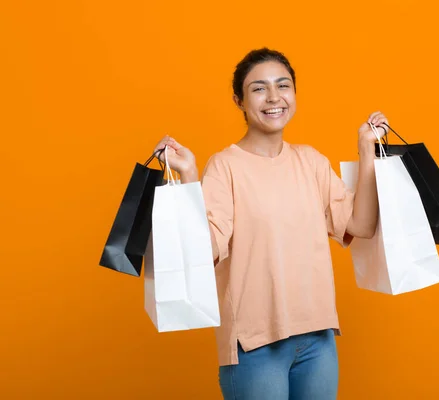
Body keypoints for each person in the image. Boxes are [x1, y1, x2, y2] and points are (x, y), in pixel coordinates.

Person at [153, 47, 389, 400]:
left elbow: (362, 224)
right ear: (239, 99)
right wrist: (187, 176)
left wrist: (366, 149)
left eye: (283, 85)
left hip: (318, 339)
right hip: (254, 345)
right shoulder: (224, 166)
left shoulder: (310, 161)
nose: (274, 97)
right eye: (259, 88)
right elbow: (203, 252)